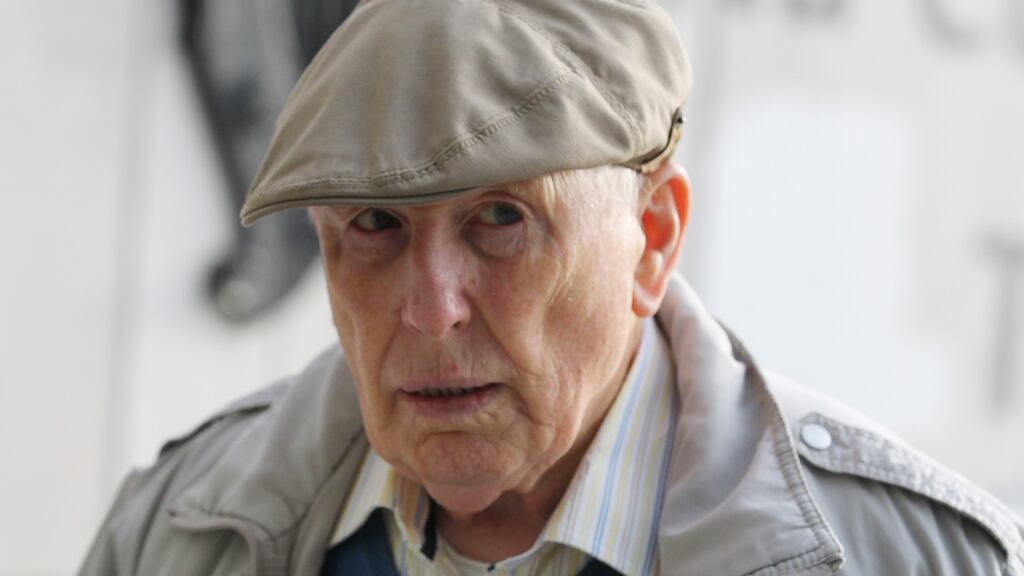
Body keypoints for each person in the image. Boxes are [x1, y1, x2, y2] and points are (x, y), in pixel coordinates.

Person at [81, 1, 1024, 575]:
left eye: (501, 221)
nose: (430, 306)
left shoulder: (916, 560)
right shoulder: (176, 531)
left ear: (652, 241)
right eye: (373, 225)